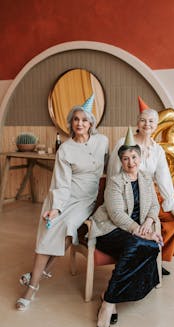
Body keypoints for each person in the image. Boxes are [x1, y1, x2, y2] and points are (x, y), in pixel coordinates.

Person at [16, 94, 109, 311]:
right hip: (65, 195)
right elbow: (61, 182)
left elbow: (111, 167)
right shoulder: (65, 149)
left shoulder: (102, 142)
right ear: (71, 123)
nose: (80, 123)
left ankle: (38, 275)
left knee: (69, 228)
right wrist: (56, 208)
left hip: (86, 199)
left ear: (91, 123)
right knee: (48, 232)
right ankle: (32, 286)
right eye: (76, 119)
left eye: (84, 120)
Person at [89, 128, 163, 327]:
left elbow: (154, 207)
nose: (130, 162)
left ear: (139, 158)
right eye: (125, 159)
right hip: (110, 230)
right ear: (121, 161)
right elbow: (116, 214)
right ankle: (108, 306)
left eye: (133, 157)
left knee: (148, 246)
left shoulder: (147, 178)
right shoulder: (115, 181)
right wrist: (141, 232)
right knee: (139, 244)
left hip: (136, 232)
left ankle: (108, 299)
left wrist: (149, 223)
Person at [107, 96, 174, 273]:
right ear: (137, 122)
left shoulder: (157, 149)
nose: (147, 124)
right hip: (125, 195)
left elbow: (164, 177)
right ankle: (147, 257)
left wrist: (171, 204)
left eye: (152, 121)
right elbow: (113, 174)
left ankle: (156, 257)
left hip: (149, 195)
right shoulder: (124, 143)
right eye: (143, 120)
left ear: (157, 124)